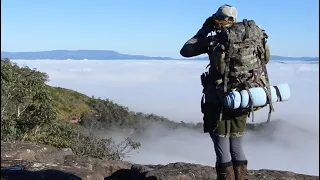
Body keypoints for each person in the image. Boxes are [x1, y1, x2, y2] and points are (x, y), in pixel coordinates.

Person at [180, 4, 271, 180]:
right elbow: (264, 60)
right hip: (243, 98)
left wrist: (204, 29)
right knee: (237, 145)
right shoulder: (251, 38)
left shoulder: (215, 40)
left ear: (216, 19)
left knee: (222, 147)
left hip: (217, 100)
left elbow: (186, 50)